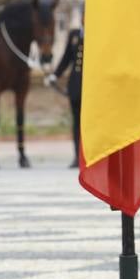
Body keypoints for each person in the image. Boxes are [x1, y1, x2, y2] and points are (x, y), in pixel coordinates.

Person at [47, 20, 83, 168]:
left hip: (90, 86)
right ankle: (77, 156)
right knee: (76, 123)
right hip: (75, 86)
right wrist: (55, 75)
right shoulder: (74, 34)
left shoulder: (97, 33)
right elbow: (67, 58)